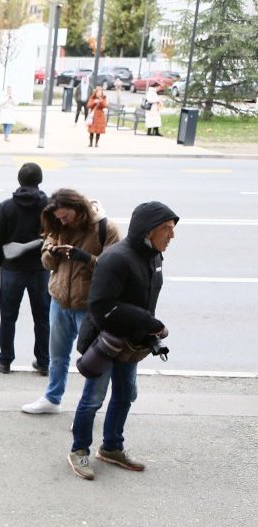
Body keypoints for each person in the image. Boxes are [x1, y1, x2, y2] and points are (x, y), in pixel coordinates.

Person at [68, 202, 178, 480]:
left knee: (126, 395)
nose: (171, 236)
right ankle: (79, 450)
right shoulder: (115, 258)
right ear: (148, 230)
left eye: (172, 229)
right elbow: (102, 307)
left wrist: (146, 328)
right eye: (166, 229)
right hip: (106, 342)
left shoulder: (154, 256)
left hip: (132, 342)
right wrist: (150, 322)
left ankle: (112, 448)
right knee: (93, 400)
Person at [21, 190, 121, 415]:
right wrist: (53, 253)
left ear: (79, 210)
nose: (62, 221)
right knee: (57, 356)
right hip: (59, 301)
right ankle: (52, 398)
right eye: (59, 218)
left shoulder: (107, 229)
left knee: (92, 361)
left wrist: (84, 258)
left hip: (89, 306)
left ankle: (87, 409)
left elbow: (115, 269)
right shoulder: (58, 225)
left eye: (66, 217)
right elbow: (46, 261)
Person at [0, 162, 50, 375]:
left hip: (12, 269)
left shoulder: (6, 206)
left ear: (19, 181)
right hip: (41, 269)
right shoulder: (49, 206)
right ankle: (43, 362)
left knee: (8, 317)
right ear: (39, 180)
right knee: (42, 317)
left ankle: (5, 360)